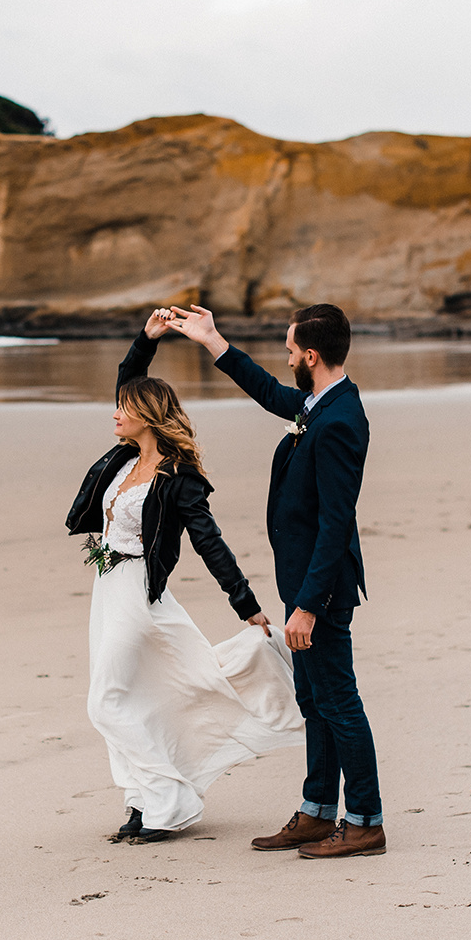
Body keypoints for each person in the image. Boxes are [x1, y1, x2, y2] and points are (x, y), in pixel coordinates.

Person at [65, 309, 303, 843]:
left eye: (124, 409)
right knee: (135, 696)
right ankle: (140, 801)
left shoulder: (179, 476)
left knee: (105, 700)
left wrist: (246, 603)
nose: (115, 415)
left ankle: (170, 799)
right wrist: (145, 340)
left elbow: (208, 541)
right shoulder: (123, 461)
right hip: (107, 587)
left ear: (147, 416)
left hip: (139, 595)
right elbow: (131, 378)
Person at [165, 302, 385, 858]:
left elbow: (336, 524)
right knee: (314, 700)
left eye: (289, 351)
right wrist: (213, 341)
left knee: (338, 702)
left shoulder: (337, 421)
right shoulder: (318, 403)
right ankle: (317, 811)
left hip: (322, 588)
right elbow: (268, 392)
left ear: (310, 355)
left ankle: (364, 821)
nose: (285, 359)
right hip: (303, 582)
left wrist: (309, 604)